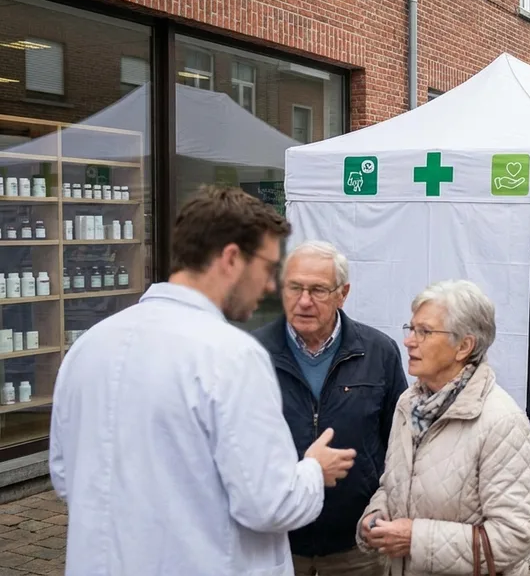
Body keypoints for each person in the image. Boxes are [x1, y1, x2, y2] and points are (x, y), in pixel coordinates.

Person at [49, 186, 357, 575]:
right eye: (267, 268)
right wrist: (314, 469)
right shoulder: (231, 356)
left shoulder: (88, 347)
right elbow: (270, 504)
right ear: (231, 258)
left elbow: (65, 476)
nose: (268, 286)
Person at [358, 281, 530, 574]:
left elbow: (513, 538)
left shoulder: (502, 421)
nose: (409, 341)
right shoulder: (409, 403)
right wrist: (377, 516)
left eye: (424, 332)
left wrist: (414, 539)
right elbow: (396, 482)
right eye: (411, 328)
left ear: (464, 346)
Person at [252, 240, 408, 575]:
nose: (304, 301)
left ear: (343, 293)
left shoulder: (379, 353)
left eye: (318, 290)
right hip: (277, 545)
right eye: (295, 288)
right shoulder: (252, 353)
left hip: (355, 544)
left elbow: (400, 444)